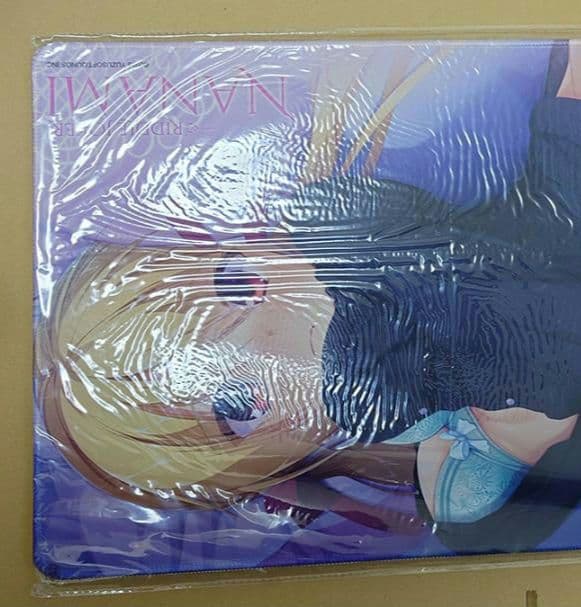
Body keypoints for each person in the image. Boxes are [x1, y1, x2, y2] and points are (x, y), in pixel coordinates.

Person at [39, 41, 581, 553]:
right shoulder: (461, 475)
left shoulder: (382, 157)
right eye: (238, 406)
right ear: (283, 465)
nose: (275, 337)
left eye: (235, 282)